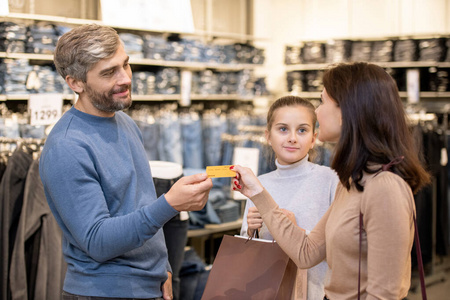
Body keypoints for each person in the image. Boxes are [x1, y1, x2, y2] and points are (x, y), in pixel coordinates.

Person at [39, 24, 213, 300]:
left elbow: (137, 202)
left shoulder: (126, 123)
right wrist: (169, 204)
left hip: (148, 286)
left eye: (126, 65)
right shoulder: (67, 146)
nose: (125, 79)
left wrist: (162, 268)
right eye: (109, 72)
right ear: (76, 83)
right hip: (102, 293)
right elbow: (97, 241)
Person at [232, 62, 430, 299]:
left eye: (323, 101)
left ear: (348, 110)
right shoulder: (352, 183)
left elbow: (385, 293)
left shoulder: (384, 187)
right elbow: (306, 253)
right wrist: (258, 193)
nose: (316, 111)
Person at [239, 96, 338, 299]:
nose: (292, 138)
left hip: (317, 291)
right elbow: (246, 250)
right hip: (269, 291)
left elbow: (341, 243)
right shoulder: (258, 184)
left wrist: (294, 230)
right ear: (268, 136)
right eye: (283, 129)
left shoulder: (331, 179)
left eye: (302, 130)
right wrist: (251, 230)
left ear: (313, 138)